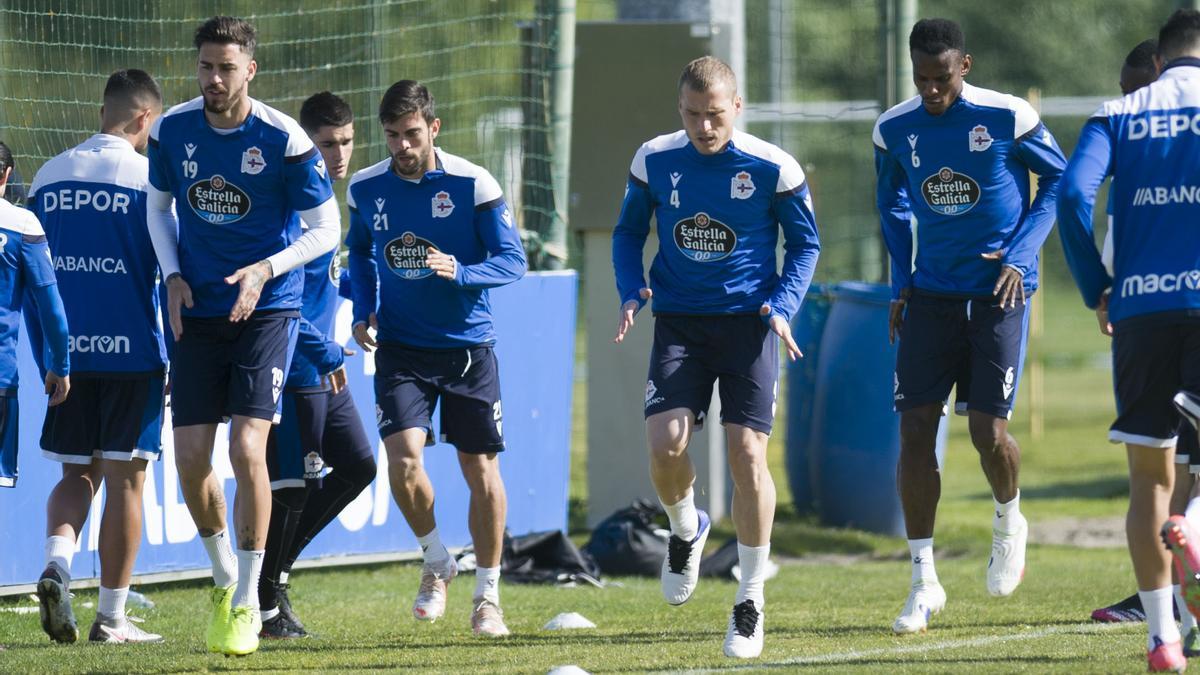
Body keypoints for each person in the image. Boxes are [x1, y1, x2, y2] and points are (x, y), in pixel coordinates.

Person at [612, 56, 820, 659]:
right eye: (693, 115)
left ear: (737, 108)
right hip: (679, 322)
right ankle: (686, 528)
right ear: (680, 110)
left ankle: (750, 597)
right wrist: (631, 289)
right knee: (665, 446)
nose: (705, 128)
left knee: (746, 454)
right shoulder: (654, 159)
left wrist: (783, 304)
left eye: (716, 115)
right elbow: (628, 232)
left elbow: (806, 243)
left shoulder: (773, 168)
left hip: (750, 327)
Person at [145, 16, 339, 656]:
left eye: (226, 67)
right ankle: (225, 573)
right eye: (205, 66)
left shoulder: (283, 140)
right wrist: (172, 275)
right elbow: (158, 206)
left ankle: (251, 599)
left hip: (269, 308)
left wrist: (266, 268)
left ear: (250, 70)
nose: (214, 79)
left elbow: (325, 229)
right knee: (193, 457)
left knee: (247, 448)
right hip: (197, 311)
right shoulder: (173, 129)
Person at [873, 18, 1066, 634]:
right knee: (914, 432)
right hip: (930, 295)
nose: (932, 90)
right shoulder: (893, 129)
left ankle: (1009, 520)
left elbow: (1059, 181)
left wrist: (1020, 252)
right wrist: (901, 279)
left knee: (989, 433)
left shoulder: (1009, 117)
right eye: (922, 78)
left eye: (943, 77)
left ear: (967, 65)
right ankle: (923, 581)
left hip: (998, 294)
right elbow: (893, 204)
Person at [347, 80, 525, 637]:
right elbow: (358, 249)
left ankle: (488, 597)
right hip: (401, 348)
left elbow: (512, 261)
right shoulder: (365, 187)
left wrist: (463, 272)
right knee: (402, 461)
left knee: (480, 470)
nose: (402, 146)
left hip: (469, 350)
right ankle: (434, 560)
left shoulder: (474, 184)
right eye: (393, 135)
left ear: (434, 128)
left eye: (413, 134)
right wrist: (365, 307)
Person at [1058, 9, 1200, 670]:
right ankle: (1193, 529)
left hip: (1141, 309)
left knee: (1149, 475)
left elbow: (1069, 199)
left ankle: (1161, 636)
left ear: (1162, 55)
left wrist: (1098, 286)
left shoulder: (1116, 112)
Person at [29, 69, 165, 646]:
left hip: (69, 356)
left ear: (102, 111)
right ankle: (111, 618)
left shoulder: (48, 174)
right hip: (134, 350)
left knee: (75, 472)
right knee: (126, 483)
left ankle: (58, 565)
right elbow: (171, 269)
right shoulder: (150, 178)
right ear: (143, 120)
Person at [257, 91, 376, 639]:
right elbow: (281, 299)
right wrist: (326, 351)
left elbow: (324, 282)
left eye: (347, 141)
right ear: (308, 143)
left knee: (358, 466)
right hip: (296, 369)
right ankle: (267, 598)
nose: (340, 153)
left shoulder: (328, 198)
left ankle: (275, 570)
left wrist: (370, 295)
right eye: (328, 144)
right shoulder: (293, 207)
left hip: (323, 366)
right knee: (294, 488)